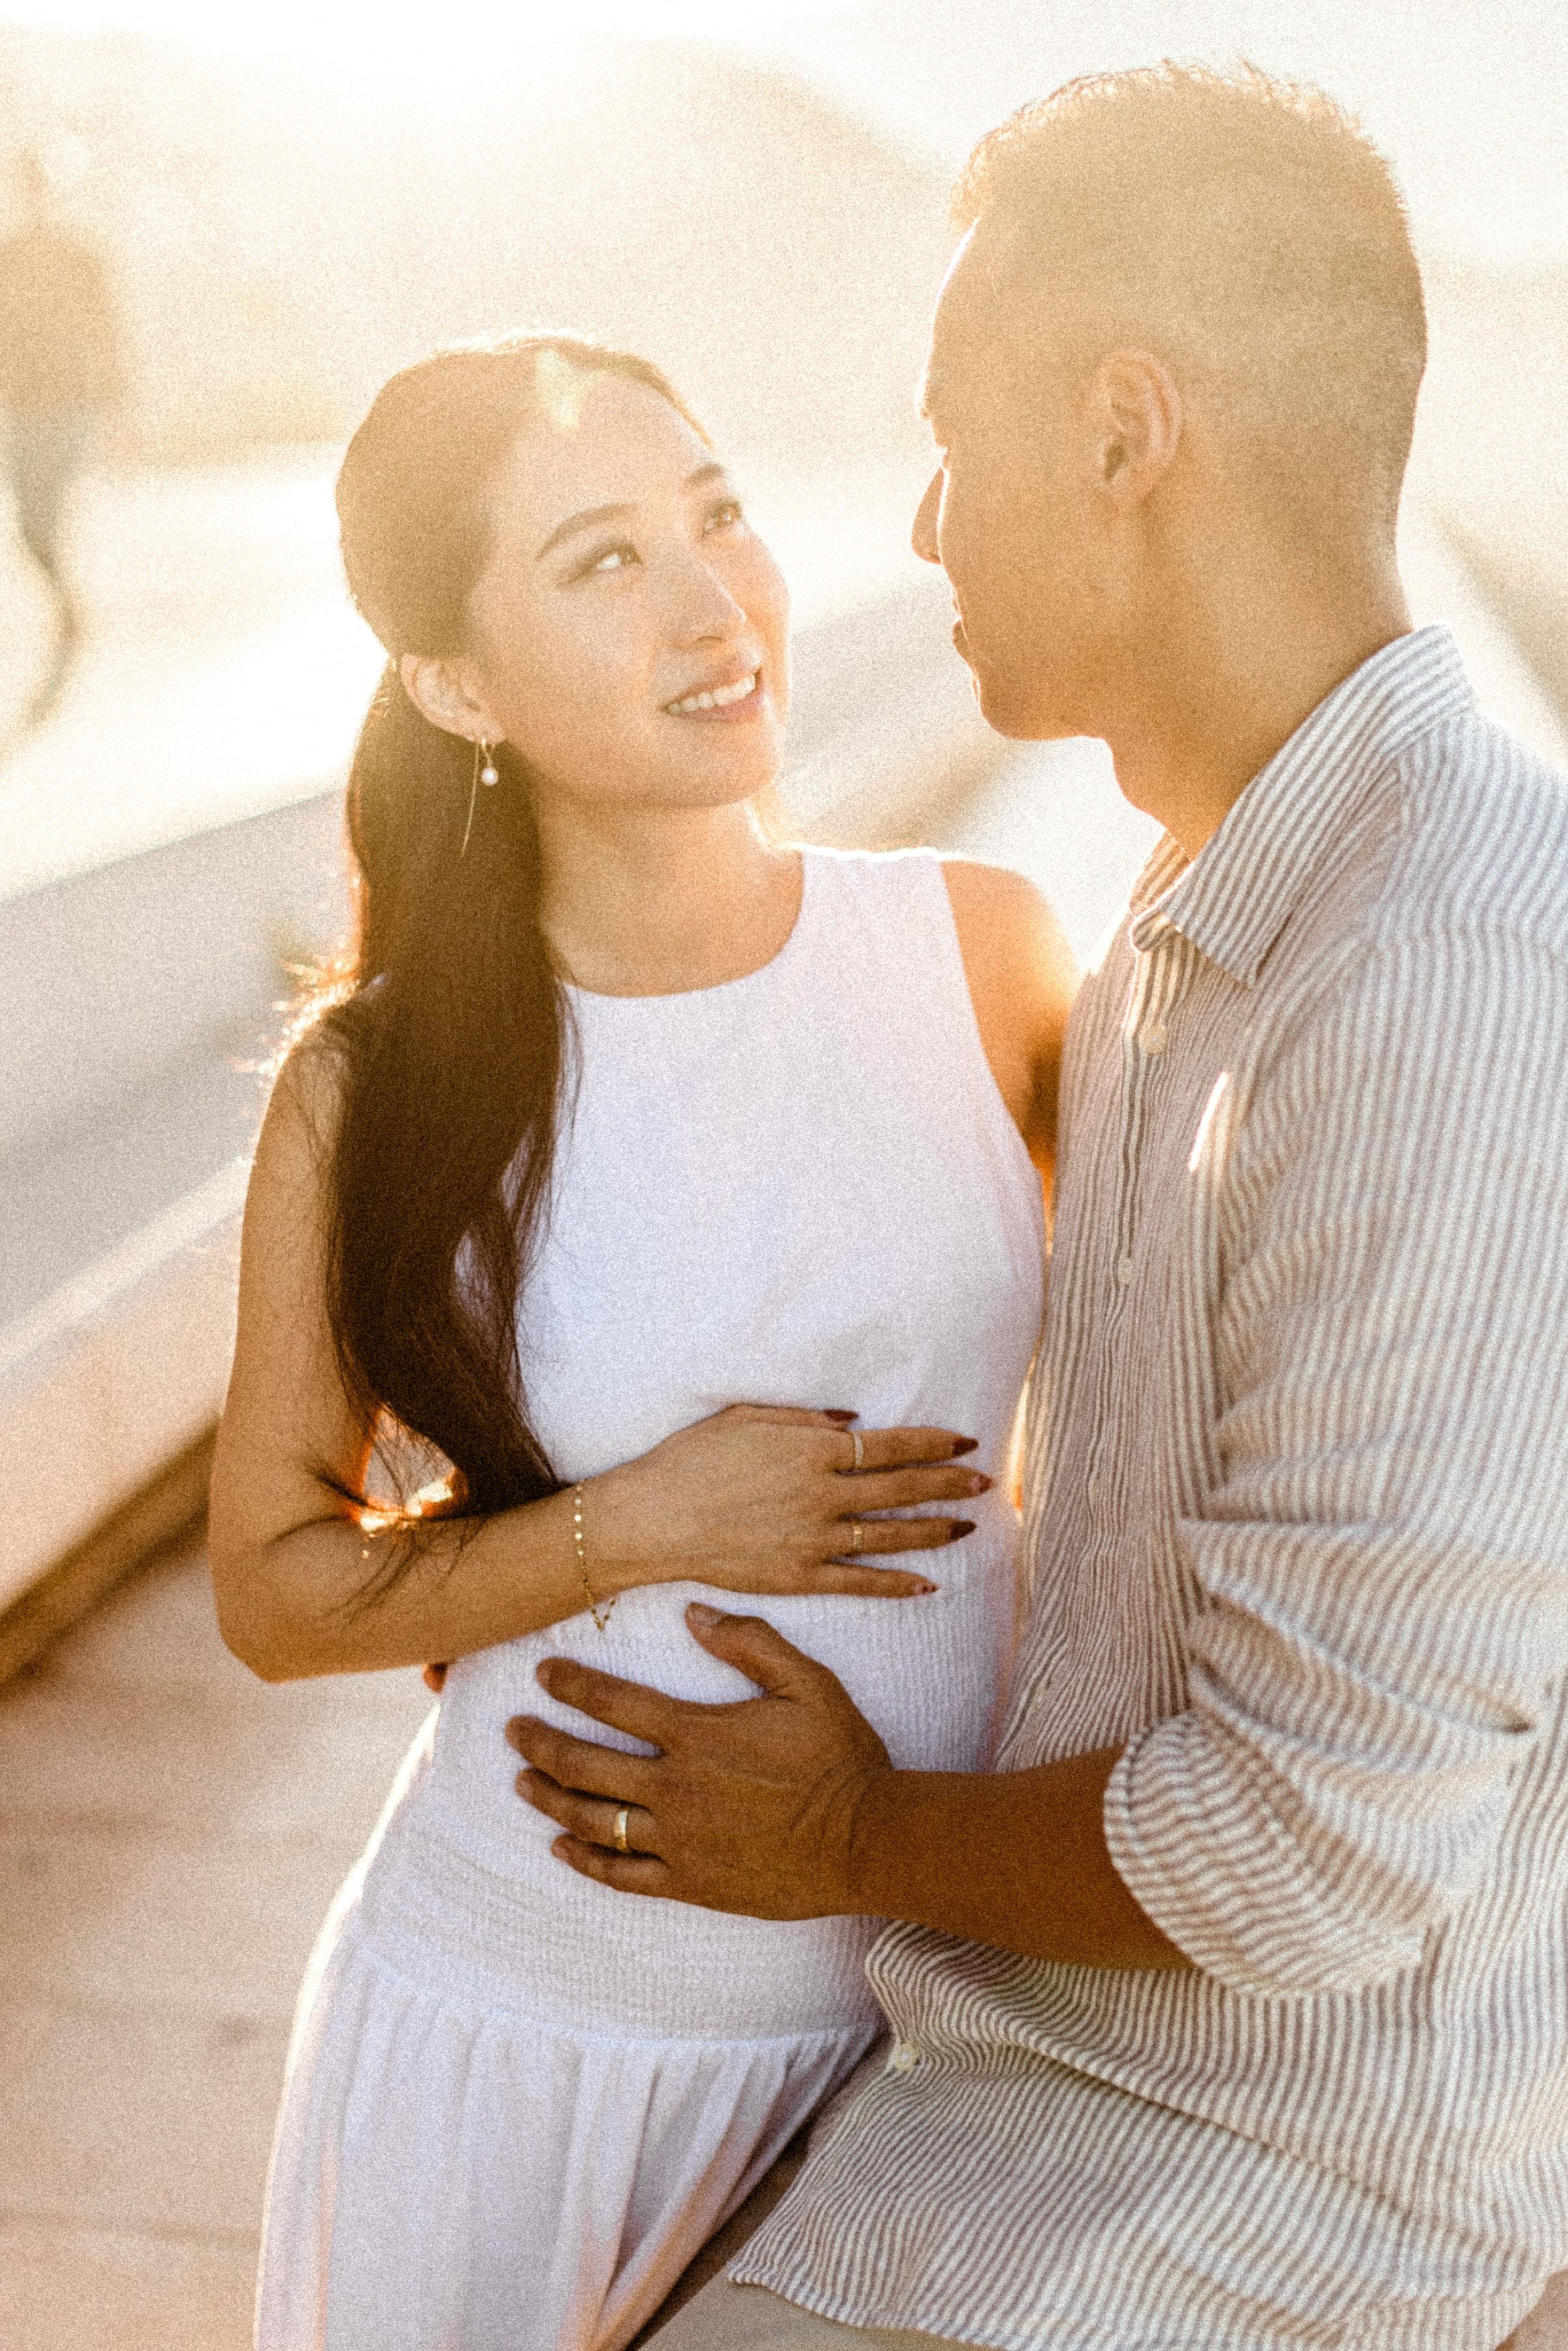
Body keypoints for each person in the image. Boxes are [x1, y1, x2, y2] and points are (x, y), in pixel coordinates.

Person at [508, 66, 1568, 2351]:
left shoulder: (1443, 972)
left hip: (1264, 2193)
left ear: (1120, 433)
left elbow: (1309, 1843)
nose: (917, 521)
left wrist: (846, 1831)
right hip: (1036, 2081)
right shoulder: (1227, 906)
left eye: (955, 435)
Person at [206, 331, 1074, 2350]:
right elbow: (271, 1585)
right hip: (510, 2037)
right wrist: (639, 1519)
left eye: (718, 516)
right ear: (455, 683)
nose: (713, 604)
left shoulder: (981, 950)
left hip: (911, 2043)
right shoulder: (375, 1085)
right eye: (599, 560)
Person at [0, 148, 125, 721]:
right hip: (23, 408)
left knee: (48, 517)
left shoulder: (79, 256)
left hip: (74, 404)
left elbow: (109, 329)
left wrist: (121, 409)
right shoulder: (7, 259)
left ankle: (69, 613)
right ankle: (68, 605)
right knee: (30, 528)